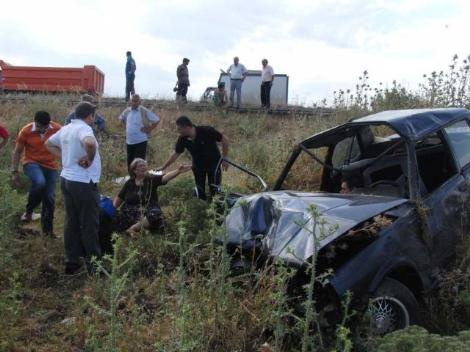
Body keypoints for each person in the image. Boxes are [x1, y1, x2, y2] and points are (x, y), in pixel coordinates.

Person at [45, 102, 102, 275]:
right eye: (94, 116)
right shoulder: (84, 129)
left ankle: (72, 262)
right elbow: (90, 144)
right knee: (89, 223)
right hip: (83, 182)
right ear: (90, 115)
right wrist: (89, 159)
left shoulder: (67, 128)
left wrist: (65, 157)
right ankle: (94, 266)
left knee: (72, 221)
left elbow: (48, 143)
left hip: (67, 179)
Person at [11, 111, 61, 236]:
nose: (41, 130)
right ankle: (29, 211)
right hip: (31, 163)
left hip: (51, 166)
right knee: (40, 182)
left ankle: (48, 232)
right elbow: (17, 152)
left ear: (49, 123)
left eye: (44, 127)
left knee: (49, 199)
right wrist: (14, 171)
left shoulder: (57, 129)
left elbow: (67, 143)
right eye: (39, 127)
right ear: (34, 121)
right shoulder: (26, 131)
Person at [113, 158, 192, 237]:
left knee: (156, 215)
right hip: (130, 212)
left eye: (144, 165)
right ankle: (139, 229)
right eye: (140, 166)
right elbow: (120, 197)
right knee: (115, 218)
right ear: (134, 170)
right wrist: (112, 208)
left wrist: (178, 171)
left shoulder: (151, 179)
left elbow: (165, 177)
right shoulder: (129, 183)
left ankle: (133, 228)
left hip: (148, 210)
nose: (143, 167)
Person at [159, 116, 229, 200]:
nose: (178, 131)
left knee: (215, 189)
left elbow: (224, 139)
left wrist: (225, 158)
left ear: (187, 127)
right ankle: (201, 208)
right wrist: (164, 167)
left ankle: (217, 209)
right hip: (198, 166)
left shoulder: (207, 131)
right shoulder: (182, 138)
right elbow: (176, 154)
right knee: (200, 191)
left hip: (214, 164)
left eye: (179, 129)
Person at [119, 94, 160, 168]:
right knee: (130, 163)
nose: (134, 103)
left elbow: (156, 120)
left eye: (136, 101)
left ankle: (140, 179)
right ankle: (132, 178)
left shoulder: (143, 111)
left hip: (141, 141)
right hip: (129, 141)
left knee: (139, 164)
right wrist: (125, 126)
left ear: (139, 102)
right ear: (130, 101)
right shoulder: (127, 110)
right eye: (133, 101)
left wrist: (149, 129)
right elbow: (121, 118)